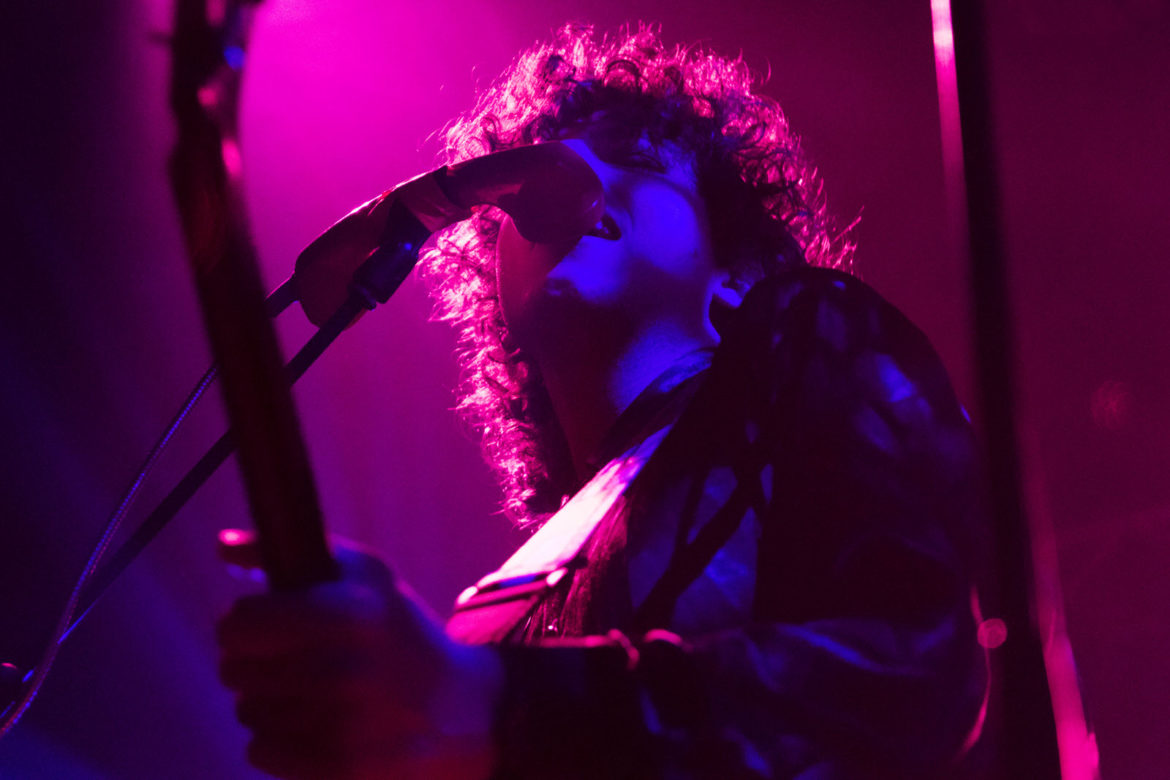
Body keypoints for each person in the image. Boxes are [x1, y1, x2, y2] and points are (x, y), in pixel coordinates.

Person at [215, 23, 990, 779]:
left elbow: (915, 670)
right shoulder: (492, 604)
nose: (574, 181)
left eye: (636, 163)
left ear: (732, 276)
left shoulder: (813, 335)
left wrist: (491, 706)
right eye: (541, 171)